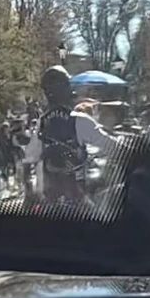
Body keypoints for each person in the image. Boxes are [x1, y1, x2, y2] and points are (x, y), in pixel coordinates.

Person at [25, 63, 124, 208]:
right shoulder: (78, 120)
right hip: (77, 198)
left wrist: (29, 189)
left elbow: (29, 157)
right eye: (68, 85)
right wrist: (131, 149)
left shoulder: (43, 122)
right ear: (64, 89)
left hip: (51, 200)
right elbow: (111, 146)